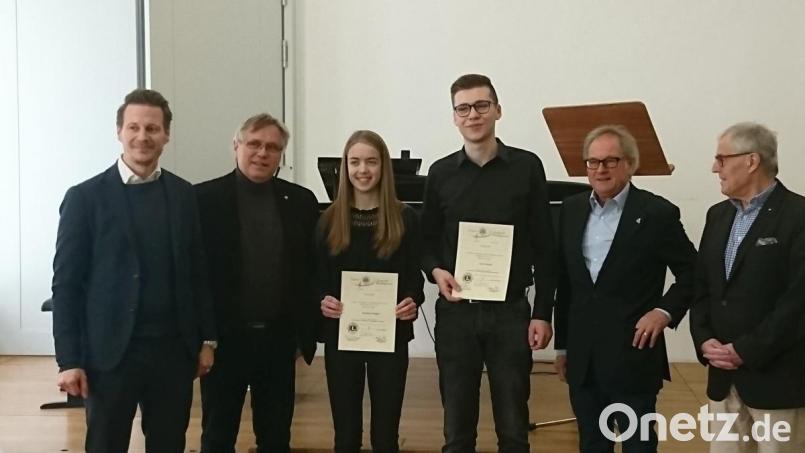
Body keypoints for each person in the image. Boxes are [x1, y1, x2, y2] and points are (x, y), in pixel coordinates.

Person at [51, 88, 216, 453]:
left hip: (173, 353)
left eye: (153, 129)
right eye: (135, 127)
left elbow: (197, 273)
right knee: (106, 445)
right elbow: (67, 285)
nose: (143, 137)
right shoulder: (85, 198)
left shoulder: (184, 194)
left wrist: (207, 339)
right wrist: (69, 359)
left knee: (169, 444)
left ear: (167, 135)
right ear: (119, 132)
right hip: (109, 356)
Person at [421, 73, 556, 453]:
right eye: (463, 108)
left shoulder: (527, 167)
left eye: (482, 105)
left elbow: (545, 246)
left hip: (511, 312)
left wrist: (542, 312)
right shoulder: (440, 173)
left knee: (514, 429)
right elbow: (426, 242)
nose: (473, 114)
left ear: (497, 109)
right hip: (456, 314)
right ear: (454, 117)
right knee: (457, 431)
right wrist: (435, 270)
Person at [552, 125, 697, 453]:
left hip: (633, 358)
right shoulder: (570, 211)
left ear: (630, 164)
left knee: (639, 446)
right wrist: (562, 348)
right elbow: (567, 285)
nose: (600, 169)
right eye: (592, 162)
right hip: (583, 360)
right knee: (592, 444)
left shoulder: (657, 213)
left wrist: (663, 312)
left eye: (610, 160)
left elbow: (693, 273)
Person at [195, 113, 319, 453]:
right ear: (236, 146)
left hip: (279, 342)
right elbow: (196, 275)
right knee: (218, 437)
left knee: (276, 437)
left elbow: (310, 270)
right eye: (254, 144)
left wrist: (302, 334)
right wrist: (202, 337)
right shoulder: (203, 200)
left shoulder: (302, 202)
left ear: (281, 155)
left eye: (272, 147)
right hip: (225, 341)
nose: (262, 153)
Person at [690, 122, 805, 453]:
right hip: (724, 382)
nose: (715, 168)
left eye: (721, 159)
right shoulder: (717, 216)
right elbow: (703, 289)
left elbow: (797, 303)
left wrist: (746, 350)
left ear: (751, 161)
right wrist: (704, 340)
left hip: (778, 382)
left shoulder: (798, 216)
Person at [315, 130, 425, 453]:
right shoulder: (327, 220)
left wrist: (412, 301)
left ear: (383, 167)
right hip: (342, 336)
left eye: (371, 162)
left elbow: (414, 275)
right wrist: (323, 299)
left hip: (390, 335)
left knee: (385, 435)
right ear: (345, 168)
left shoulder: (406, 218)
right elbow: (316, 277)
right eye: (355, 162)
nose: (363, 170)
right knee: (346, 435)